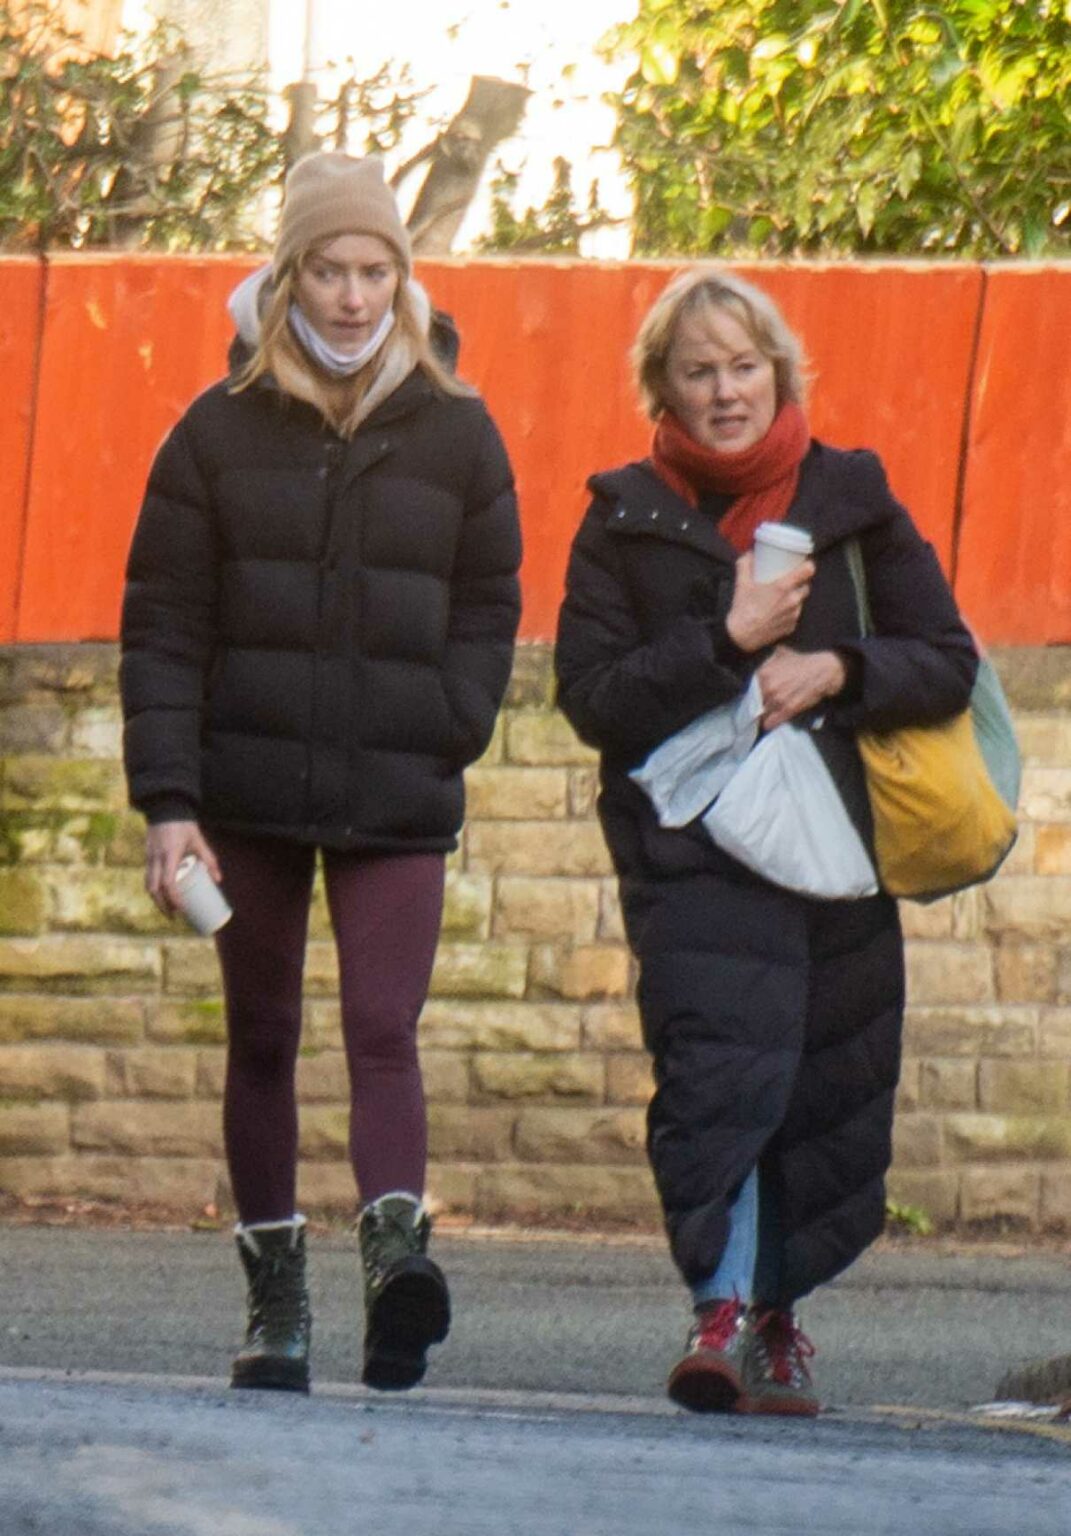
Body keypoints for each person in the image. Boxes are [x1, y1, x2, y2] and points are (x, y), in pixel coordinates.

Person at [120, 152, 522, 1395]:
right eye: (330, 271)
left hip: (396, 787)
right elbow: (165, 626)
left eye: (375, 271)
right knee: (264, 1035)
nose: (353, 298)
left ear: (405, 276)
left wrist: (451, 720)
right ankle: (276, 1306)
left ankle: (397, 1274)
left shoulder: (457, 429)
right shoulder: (215, 429)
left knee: (381, 1028)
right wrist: (170, 806)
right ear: (289, 273)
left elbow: (489, 600)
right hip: (244, 789)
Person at [554, 269, 976, 1416]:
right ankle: (721, 1311)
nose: (726, 390)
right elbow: (590, 695)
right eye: (699, 371)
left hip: (837, 842)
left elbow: (947, 656)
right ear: (665, 388)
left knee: (824, 1082)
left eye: (744, 366)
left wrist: (835, 668)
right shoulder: (624, 519)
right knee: (717, 1074)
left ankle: (782, 1321)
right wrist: (726, 637)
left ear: (780, 373)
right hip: (691, 853)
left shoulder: (855, 502)